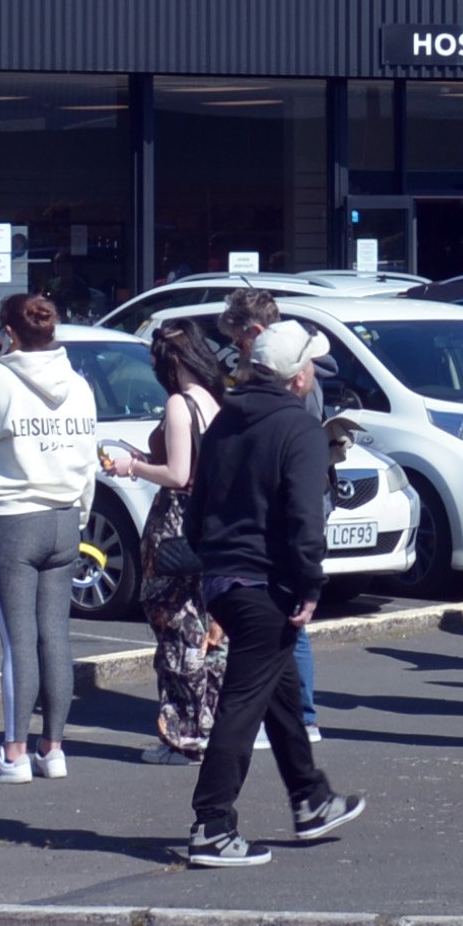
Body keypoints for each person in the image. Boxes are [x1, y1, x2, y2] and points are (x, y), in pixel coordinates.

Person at [179, 317, 366, 868]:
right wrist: (310, 584)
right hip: (267, 583)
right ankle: (212, 824)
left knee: (281, 693)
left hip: (223, 579)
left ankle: (310, 798)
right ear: (297, 378)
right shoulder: (299, 428)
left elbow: (197, 505)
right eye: (309, 363)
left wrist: (211, 558)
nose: (312, 371)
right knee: (242, 704)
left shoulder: (224, 420)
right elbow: (305, 519)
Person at [0, 290, 105, 780]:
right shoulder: (79, 385)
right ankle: (52, 748)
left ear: (8, 334)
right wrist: (80, 514)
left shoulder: (1, 381)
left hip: (15, 518)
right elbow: (87, 458)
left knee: (19, 641)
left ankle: (13, 753)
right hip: (64, 517)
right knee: (54, 637)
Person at [110, 321, 233, 758]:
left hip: (177, 525)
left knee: (174, 623)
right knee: (205, 623)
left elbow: (178, 474)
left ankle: (184, 731)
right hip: (211, 522)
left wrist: (133, 467)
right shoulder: (215, 402)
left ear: (172, 362)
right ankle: (210, 722)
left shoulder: (180, 405)